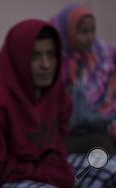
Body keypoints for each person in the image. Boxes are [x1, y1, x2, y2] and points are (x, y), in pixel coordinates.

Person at [0, 19, 74, 188]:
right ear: (18, 58)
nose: (46, 65)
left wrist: (55, 167)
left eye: (51, 55)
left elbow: (58, 140)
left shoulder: (54, 93)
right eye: (35, 56)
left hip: (49, 170)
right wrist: (47, 174)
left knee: (108, 167)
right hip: (7, 182)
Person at [51, 3, 116, 187]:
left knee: (105, 149)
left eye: (92, 31)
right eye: (82, 31)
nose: (89, 38)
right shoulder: (53, 62)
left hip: (100, 130)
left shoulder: (104, 57)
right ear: (68, 32)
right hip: (63, 136)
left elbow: (110, 102)